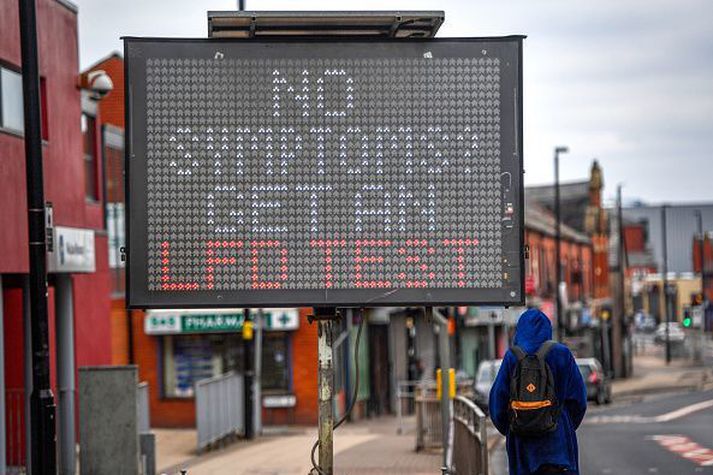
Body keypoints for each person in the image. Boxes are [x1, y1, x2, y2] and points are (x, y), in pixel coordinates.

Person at [489, 308, 587, 474]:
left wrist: (515, 426)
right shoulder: (562, 354)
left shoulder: (512, 357)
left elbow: (497, 406)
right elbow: (579, 401)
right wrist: (562, 423)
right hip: (558, 447)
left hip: (522, 448)